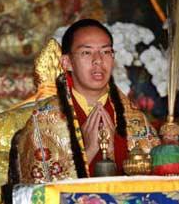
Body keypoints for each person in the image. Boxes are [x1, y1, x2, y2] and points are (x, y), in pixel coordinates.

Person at [9, 19, 160, 184]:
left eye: (106, 52)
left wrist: (113, 152)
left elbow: (159, 183)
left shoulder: (134, 119)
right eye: (86, 53)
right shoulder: (45, 120)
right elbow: (35, 193)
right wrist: (88, 150)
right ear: (67, 62)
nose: (98, 60)